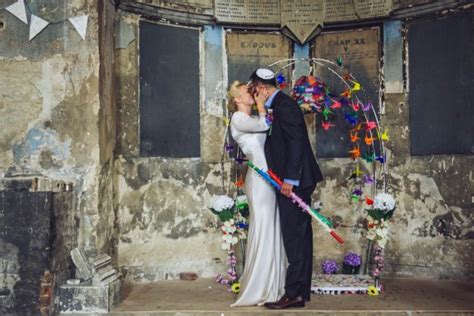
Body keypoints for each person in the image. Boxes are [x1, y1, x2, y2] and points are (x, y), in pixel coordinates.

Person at [248, 68, 324, 309]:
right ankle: (299, 291)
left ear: (262, 87)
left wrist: (290, 180)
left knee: (295, 237)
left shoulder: (285, 106)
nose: (252, 91)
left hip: (296, 181)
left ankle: (294, 294)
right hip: (290, 179)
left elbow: (296, 144)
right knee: (298, 236)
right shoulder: (276, 105)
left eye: (253, 87)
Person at [227, 80, 287, 307]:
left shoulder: (251, 119)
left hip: (268, 179)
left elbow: (266, 126)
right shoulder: (239, 119)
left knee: (272, 227)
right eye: (246, 91)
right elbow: (264, 125)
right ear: (237, 100)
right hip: (259, 181)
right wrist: (263, 104)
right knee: (263, 228)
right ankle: (258, 286)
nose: (251, 93)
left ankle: (273, 283)